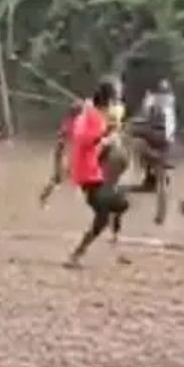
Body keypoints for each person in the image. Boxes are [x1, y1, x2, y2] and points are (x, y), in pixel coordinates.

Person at [65, 78, 130, 268]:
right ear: (107, 99)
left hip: (94, 172)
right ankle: (77, 255)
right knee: (117, 205)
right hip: (87, 175)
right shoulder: (89, 116)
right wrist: (104, 134)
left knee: (107, 214)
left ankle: (77, 255)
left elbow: (98, 140)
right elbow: (84, 139)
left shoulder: (94, 114)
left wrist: (108, 134)